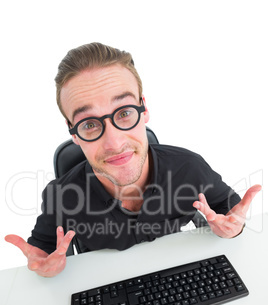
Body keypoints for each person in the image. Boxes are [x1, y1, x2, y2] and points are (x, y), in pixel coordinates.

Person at [5, 42, 261, 277]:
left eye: (125, 112)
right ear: (73, 132)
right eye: (89, 124)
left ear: (144, 108)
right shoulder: (61, 197)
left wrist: (232, 229)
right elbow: (43, 250)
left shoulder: (189, 168)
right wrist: (46, 268)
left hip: (175, 278)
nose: (115, 144)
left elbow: (228, 210)